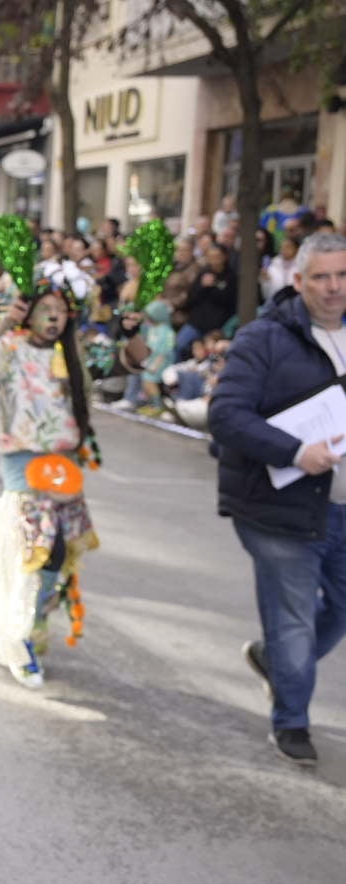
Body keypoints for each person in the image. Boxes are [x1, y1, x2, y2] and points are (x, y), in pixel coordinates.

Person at [0, 253, 147, 688]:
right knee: (37, 551)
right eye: (46, 309)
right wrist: (2, 322)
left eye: (61, 311)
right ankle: (20, 637)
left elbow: (135, 361)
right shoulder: (9, 349)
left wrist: (133, 332)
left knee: (57, 558)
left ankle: (32, 625)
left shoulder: (76, 354)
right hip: (24, 467)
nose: (54, 318)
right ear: (30, 311)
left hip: (65, 469)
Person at [208, 231, 346, 766]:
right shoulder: (264, 338)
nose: (334, 288)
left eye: (341, 275)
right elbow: (226, 414)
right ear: (298, 280)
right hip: (278, 509)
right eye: (321, 277)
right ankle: (291, 719)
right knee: (294, 618)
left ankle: (278, 662)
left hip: (341, 509)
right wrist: (293, 451)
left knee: (335, 611)